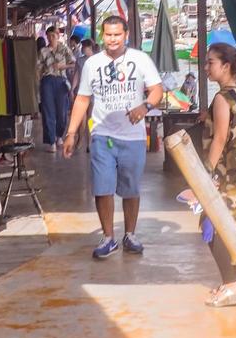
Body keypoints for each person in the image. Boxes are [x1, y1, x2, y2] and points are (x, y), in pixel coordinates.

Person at [63, 15, 163, 258]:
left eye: (117, 34)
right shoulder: (92, 63)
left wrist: (145, 107)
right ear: (102, 36)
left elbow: (157, 89)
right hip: (102, 134)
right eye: (108, 34)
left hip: (134, 137)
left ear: (126, 34)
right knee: (102, 187)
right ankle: (108, 237)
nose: (113, 39)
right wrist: (72, 132)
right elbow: (83, 98)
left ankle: (130, 234)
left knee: (130, 189)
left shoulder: (140, 59)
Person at [195, 43, 236, 307]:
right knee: (232, 228)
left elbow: (220, 139)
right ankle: (233, 283)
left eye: (210, 62)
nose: (206, 67)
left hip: (229, 176)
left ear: (225, 66)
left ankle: (233, 284)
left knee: (215, 226)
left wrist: (205, 175)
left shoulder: (222, 99)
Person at [37, 25, 76, 153]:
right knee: (48, 111)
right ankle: (51, 141)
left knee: (62, 112)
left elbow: (74, 63)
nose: (51, 38)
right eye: (49, 36)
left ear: (58, 36)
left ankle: (59, 135)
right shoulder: (43, 51)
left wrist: (62, 66)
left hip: (61, 81)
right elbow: (37, 68)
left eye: (53, 36)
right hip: (47, 81)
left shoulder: (65, 49)